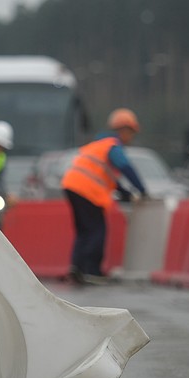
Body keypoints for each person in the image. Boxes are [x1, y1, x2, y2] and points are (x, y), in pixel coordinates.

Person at [61, 108, 148, 284]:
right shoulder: (113, 146)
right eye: (130, 133)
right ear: (123, 130)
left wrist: (126, 194)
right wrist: (141, 190)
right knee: (97, 230)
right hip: (87, 191)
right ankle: (92, 271)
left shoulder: (98, 145)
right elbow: (125, 167)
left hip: (71, 185)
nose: (130, 137)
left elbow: (110, 179)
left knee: (84, 230)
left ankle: (76, 268)